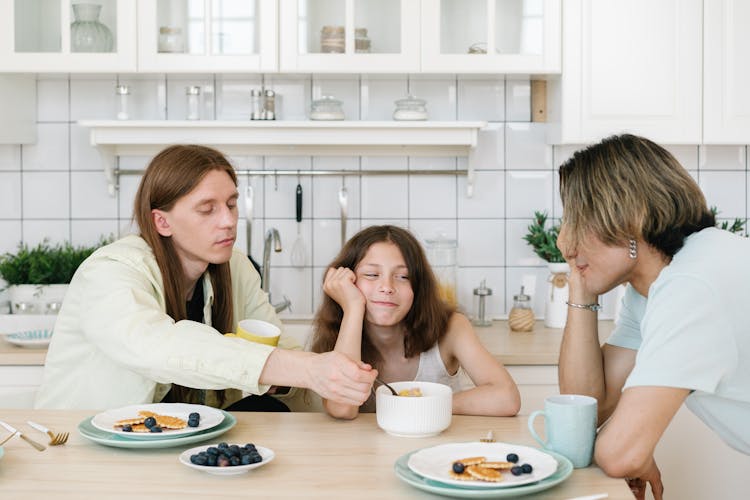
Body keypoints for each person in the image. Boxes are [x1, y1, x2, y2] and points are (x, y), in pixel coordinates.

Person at [35, 145, 376, 410]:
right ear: (162, 222)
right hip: (87, 446)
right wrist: (302, 369)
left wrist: (293, 379)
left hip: (178, 441)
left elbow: (280, 347)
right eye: (207, 209)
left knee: (266, 408)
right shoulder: (111, 271)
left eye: (231, 204)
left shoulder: (235, 266)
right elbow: (157, 346)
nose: (228, 221)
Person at [555, 134, 750, 499]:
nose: (565, 240)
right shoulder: (655, 287)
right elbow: (585, 410)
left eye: (577, 220)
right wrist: (579, 279)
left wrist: (633, 454)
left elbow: (619, 454)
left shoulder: (692, 284)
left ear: (631, 218)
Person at [311, 225, 520, 419]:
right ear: (348, 283)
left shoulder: (452, 327)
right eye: (372, 274)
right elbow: (342, 408)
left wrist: (422, 405)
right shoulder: (340, 331)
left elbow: (506, 398)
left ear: (418, 287)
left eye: (403, 277)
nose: (387, 287)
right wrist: (353, 309)